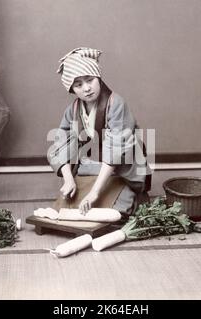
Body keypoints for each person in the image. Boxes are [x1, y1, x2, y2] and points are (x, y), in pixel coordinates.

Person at [48, 47, 151, 217]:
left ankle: (128, 194)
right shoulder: (73, 110)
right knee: (67, 207)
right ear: (72, 89)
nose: (86, 88)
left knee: (116, 212)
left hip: (121, 168)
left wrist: (95, 192)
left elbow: (116, 148)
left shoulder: (115, 104)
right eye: (78, 84)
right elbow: (61, 144)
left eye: (90, 80)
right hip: (90, 166)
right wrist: (68, 179)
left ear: (99, 78)